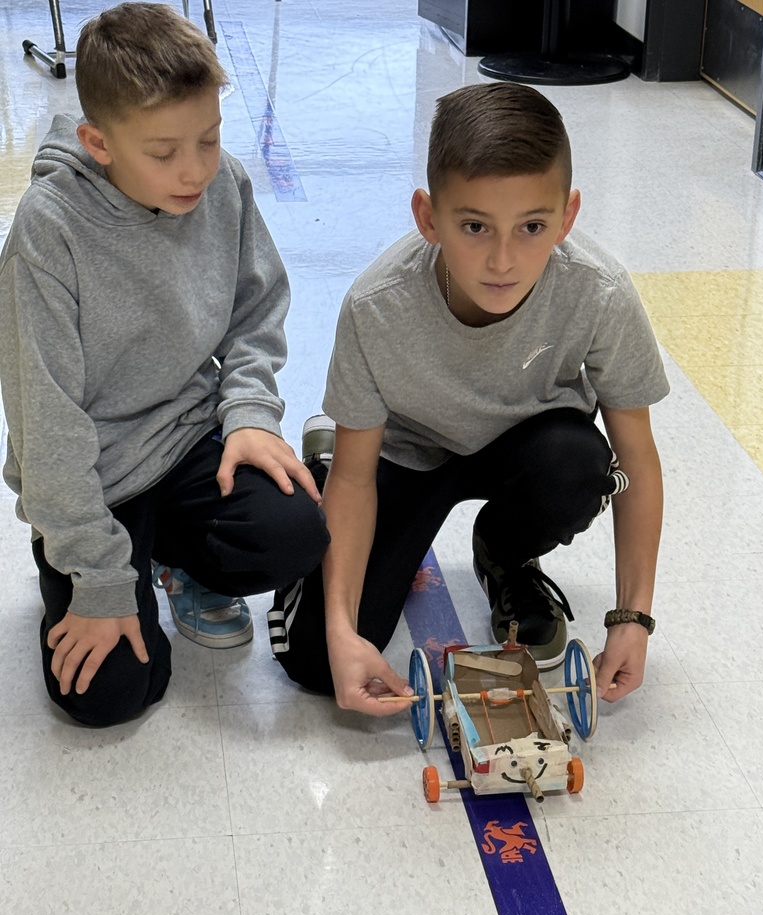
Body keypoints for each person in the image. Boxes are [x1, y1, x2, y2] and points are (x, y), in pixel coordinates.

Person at [268, 81, 668, 717]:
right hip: (403, 454)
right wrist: (344, 632)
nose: (503, 259)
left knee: (581, 461)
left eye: (533, 226)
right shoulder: (376, 307)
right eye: (475, 226)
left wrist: (632, 618)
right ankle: (332, 436)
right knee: (317, 663)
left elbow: (638, 462)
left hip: (527, 447)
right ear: (428, 217)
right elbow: (355, 478)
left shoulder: (600, 293)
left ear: (568, 217)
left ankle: (504, 555)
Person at [0, 3, 329, 726]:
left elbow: (254, 309)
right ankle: (86, 559)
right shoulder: (47, 234)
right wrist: (100, 578)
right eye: (164, 151)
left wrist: (248, 413)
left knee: (298, 531)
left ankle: (176, 565)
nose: (194, 170)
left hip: (187, 441)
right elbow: (45, 426)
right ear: (98, 142)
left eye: (208, 139)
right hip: (92, 477)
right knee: (110, 695)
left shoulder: (225, 185)